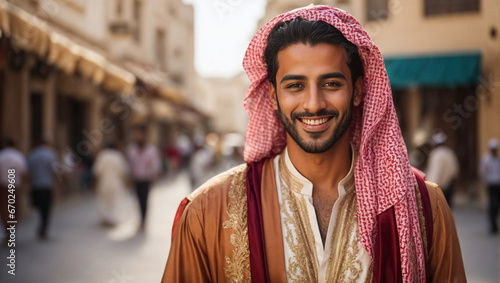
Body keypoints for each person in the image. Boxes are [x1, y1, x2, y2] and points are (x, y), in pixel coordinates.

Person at [163, 6, 465, 282]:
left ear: (358, 91)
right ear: (272, 95)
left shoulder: (424, 207)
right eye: (295, 86)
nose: (313, 103)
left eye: (331, 84)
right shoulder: (206, 212)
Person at [126, 126, 161, 231]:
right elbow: (129, 165)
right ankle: (141, 219)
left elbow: (155, 165)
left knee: (144, 200)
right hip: (136, 179)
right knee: (138, 200)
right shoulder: (131, 150)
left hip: (146, 179)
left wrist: (153, 176)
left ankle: (143, 221)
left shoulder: (151, 150)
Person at [92, 141, 129, 226]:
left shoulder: (102, 156)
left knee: (104, 201)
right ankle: (113, 219)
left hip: (104, 183)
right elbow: (123, 171)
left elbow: (97, 171)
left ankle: (106, 219)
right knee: (115, 202)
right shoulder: (118, 156)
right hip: (116, 183)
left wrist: (95, 183)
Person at [27, 137, 57, 240]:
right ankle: (43, 230)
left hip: (35, 186)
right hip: (47, 186)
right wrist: (56, 186)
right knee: (46, 209)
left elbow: (28, 172)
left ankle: (41, 228)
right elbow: (54, 171)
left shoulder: (32, 155)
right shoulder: (50, 154)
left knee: (38, 208)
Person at [0, 137, 28, 235]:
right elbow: (23, 172)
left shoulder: (2, 156)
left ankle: (7, 229)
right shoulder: (18, 156)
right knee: (14, 208)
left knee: (4, 207)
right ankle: (11, 229)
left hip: (3, 185)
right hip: (14, 185)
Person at [425, 132, 459, 208]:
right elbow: (454, 172)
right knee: (447, 209)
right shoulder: (450, 153)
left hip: (436, 188)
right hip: (448, 187)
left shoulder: (435, 154)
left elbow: (435, 173)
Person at [479, 138, 500, 234]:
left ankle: (495, 224)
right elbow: (483, 172)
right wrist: (484, 183)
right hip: (491, 185)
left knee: (497, 205)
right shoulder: (486, 160)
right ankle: (492, 225)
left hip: (498, 185)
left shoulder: (498, 159)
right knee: (492, 205)